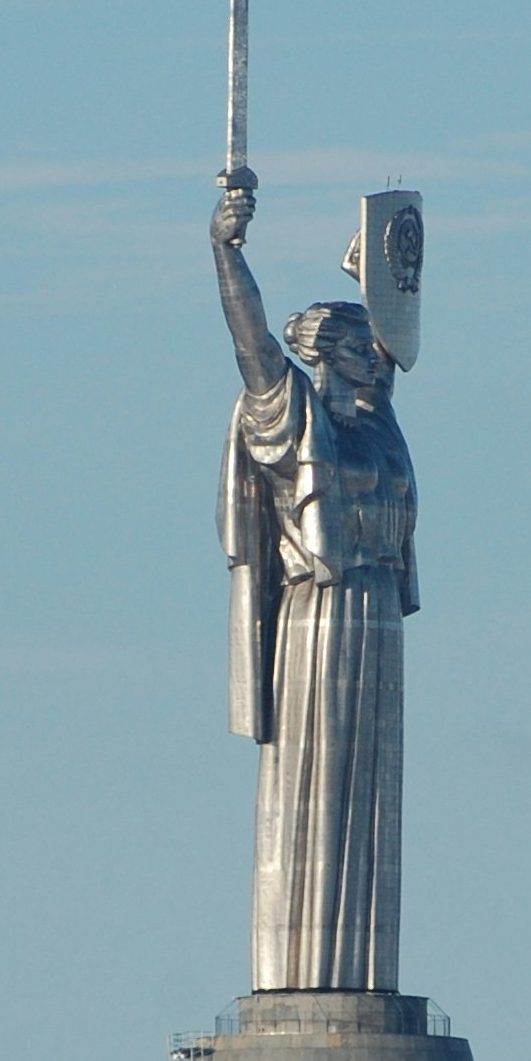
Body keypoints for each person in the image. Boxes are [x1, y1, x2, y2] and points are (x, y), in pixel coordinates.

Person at [212, 179, 416, 994]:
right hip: (318, 618)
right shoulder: (293, 413)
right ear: (334, 353)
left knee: (370, 809)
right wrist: (226, 251)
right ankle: (302, 976)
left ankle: (364, 977)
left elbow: (402, 340)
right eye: (370, 349)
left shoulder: (380, 428)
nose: (385, 361)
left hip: (376, 624)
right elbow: (252, 341)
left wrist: (380, 262)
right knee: (314, 788)